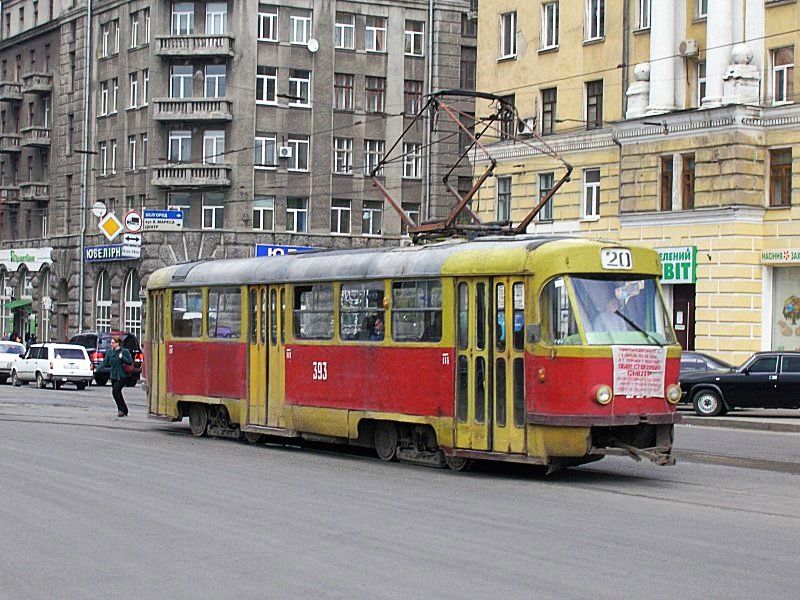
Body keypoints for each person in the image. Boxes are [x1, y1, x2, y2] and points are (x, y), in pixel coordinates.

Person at [98, 336, 133, 417]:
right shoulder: (110, 352)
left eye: (113, 343)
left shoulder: (124, 351)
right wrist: (97, 369)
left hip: (122, 376)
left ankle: (121, 410)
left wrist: (122, 357)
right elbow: (105, 361)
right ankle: (124, 410)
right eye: (111, 342)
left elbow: (130, 362)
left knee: (116, 391)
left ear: (118, 343)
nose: (111, 344)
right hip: (114, 376)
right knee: (117, 393)